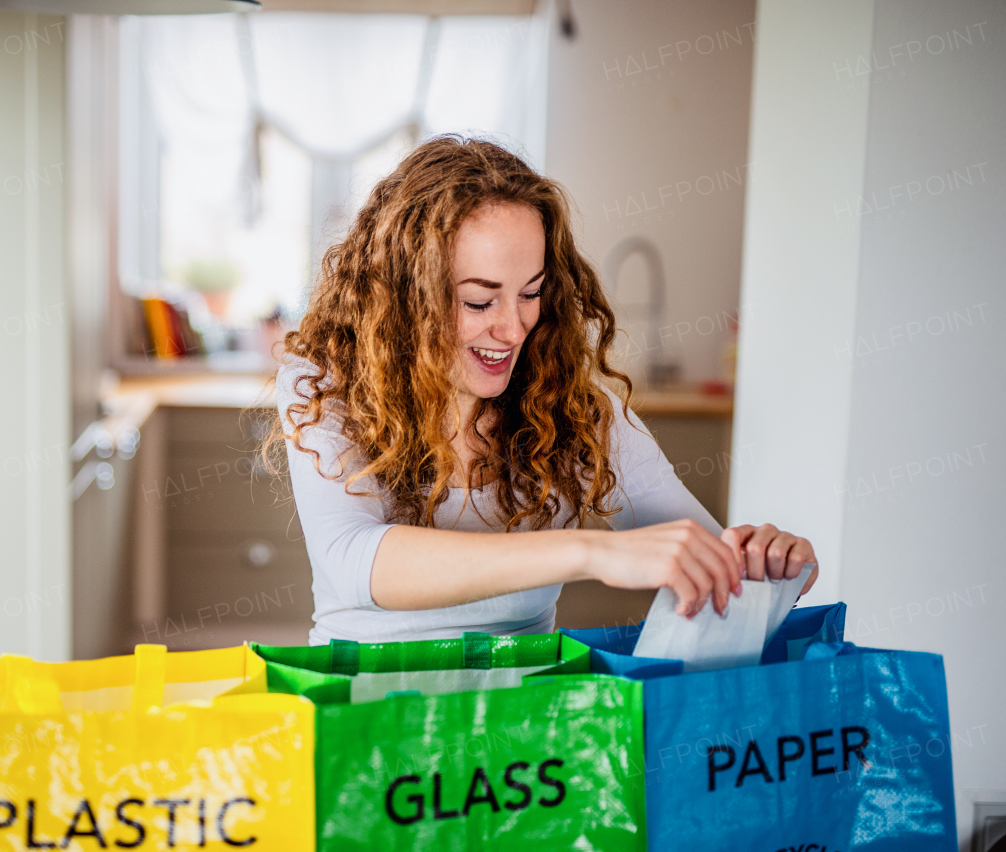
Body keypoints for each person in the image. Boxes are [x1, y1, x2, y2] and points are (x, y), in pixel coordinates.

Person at [264, 135, 817, 645]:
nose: (512, 329)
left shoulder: (574, 410)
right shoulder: (323, 385)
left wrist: (766, 562)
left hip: (523, 733)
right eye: (479, 302)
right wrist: (590, 550)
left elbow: (706, 559)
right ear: (405, 298)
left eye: (531, 292)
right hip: (368, 714)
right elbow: (355, 561)